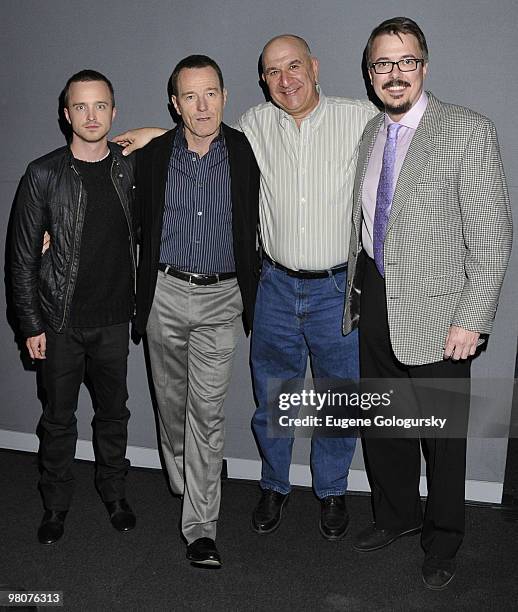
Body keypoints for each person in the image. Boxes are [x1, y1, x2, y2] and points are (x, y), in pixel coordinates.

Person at [114, 35, 376, 542]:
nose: (286, 79)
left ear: (314, 67)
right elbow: (189, 134)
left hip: (335, 288)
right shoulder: (257, 126)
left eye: (294, 66)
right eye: (274, 72)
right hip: (274, 284)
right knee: (274, 397)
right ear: (262, 82)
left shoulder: (359, 117)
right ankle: (275, 485)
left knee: (339, 398)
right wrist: (152, 135)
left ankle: (332, 490)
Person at [342, 17, 512, 589]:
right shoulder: (369, 134)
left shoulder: (466, 130)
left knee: (442, 438)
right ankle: (395, 516)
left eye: (406, 61)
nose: (395, 74)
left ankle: (443, 541)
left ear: (424, 66)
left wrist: (473, 319)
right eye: (383, 64)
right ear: (371, 74)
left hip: (442, 315)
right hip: (375, 297)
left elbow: (492, 237)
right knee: (386, 425)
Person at [133, 55, 259, 568]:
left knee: (207, 416)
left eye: (211, 93)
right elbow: (100, 190)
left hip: (222, 300)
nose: (202, 106)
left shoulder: (249, 150)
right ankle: (192, 477)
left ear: (225, 96)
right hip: (163, 293)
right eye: (190, 96)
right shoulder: (153, 155)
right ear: (175, 104)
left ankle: (201, 527)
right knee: (171, 406)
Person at [11, 70, 138, 544]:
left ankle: (115, 492)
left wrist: (148, 134)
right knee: (58, 420)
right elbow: (21, 259)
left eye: (100, 105)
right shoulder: (42, 173)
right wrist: (31, 324)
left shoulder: (130, 168)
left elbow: (186, 134)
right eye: (80, 106)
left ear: (113, 111)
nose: (91, 115)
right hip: (59, 323)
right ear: (67, 114)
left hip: (113, 320)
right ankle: (55, 506)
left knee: (113, 415)